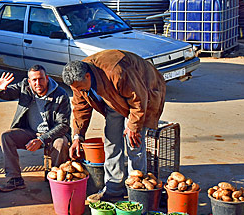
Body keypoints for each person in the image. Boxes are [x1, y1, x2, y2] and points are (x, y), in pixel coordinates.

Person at [61, 50, 166, 202]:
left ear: (88, 76)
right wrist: (78, 136)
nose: (78, 91)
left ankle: (136, 190)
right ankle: (113, 190)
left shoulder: (117, 71)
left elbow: (138, 99)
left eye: (80, 87)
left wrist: (133, 126)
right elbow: (80, 108)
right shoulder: (77, 81)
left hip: (145, 93)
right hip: (113, 100)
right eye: (75, 88)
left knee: (134, 144)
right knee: (111, 142)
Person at [0, 65, 71, 192]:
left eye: (41, 79)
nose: (38, 83)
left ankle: (55, 179)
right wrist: (0, 89)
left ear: (47, 78)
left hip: (52, 134)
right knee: (7, 136)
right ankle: (15, 180)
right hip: (30, 131)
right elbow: (7, 94)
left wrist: (42, 139)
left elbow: (63, 125)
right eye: (34, 80)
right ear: (29, 81)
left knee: (61, 143)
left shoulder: (60, 95)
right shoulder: (25, 86)